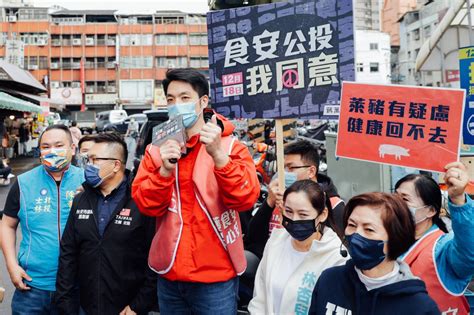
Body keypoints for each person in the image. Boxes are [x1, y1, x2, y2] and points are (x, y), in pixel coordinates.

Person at [132, 68, 260, 314]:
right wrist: (165, 172)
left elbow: (245, 198)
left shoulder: (230, 145)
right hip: (169, 274)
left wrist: (219, 156)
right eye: (170, 99)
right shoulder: (157, 150)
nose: (176, 105)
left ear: (203, 102)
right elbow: (146, 205)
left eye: (184, 98)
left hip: (216, 277)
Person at [55, 133, 157, 315]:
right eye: (87, 159)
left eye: (94, 160)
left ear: (116, 165)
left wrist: (139, 305)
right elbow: (68, 254)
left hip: (128, 308)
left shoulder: (140, 200)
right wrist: (66, 303)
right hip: (85, 306)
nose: (88, 165)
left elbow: (154, 258)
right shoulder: (81, 199)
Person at [309, 192, 440, 315]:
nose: (356, 235)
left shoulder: (419, 307)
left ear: (395, 239)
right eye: (352, 225)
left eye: (369, 229)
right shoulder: (330, 280)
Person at [0, 124, 84, 314]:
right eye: (46, 147)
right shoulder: (23, 183)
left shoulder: (87, 181)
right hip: (32, 286)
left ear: (72, 148)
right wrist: (12, 266)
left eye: (58, 145)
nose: (52, 151)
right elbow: (7, 224)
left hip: (78, 285)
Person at [248, 180, 347, 314]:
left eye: (303, 214)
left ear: (323, 214)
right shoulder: (276, 242)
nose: (294, 219)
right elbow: (260, 296)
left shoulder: (337, 257)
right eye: (288, 211)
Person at [395, 161, 474, 314]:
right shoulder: (389, 243)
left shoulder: (442, 248)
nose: (395, 204)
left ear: (430, 210)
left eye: (404, 199)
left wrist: (458, 199)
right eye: (394, 197)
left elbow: (469, 253)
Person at [245, 139, 345, 259]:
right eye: (283, 168)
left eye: (291, 168)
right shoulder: (279, 195)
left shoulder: (333, 205)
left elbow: (337, 249)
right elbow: (252, 236)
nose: (284, 173)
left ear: (311, 171)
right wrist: (269, 202)